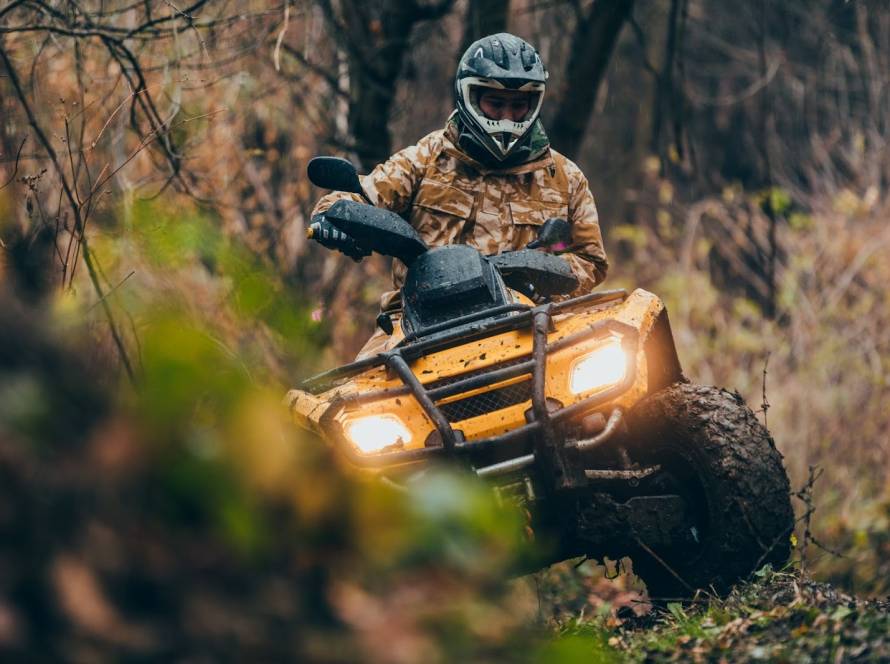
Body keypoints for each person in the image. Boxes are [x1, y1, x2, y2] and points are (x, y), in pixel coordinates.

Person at [310, 33, 609, 358]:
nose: (507, 117)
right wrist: (331, 217)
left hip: (531, 318)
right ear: (469, 96)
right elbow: (361, 196)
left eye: (517, 105)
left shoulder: (564, 177)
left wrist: (544, 275)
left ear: (533, 103)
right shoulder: (425, 158)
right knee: (350, 401)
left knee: (614, 380)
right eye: (495, 103)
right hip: (415, 324)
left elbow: (590, 259)